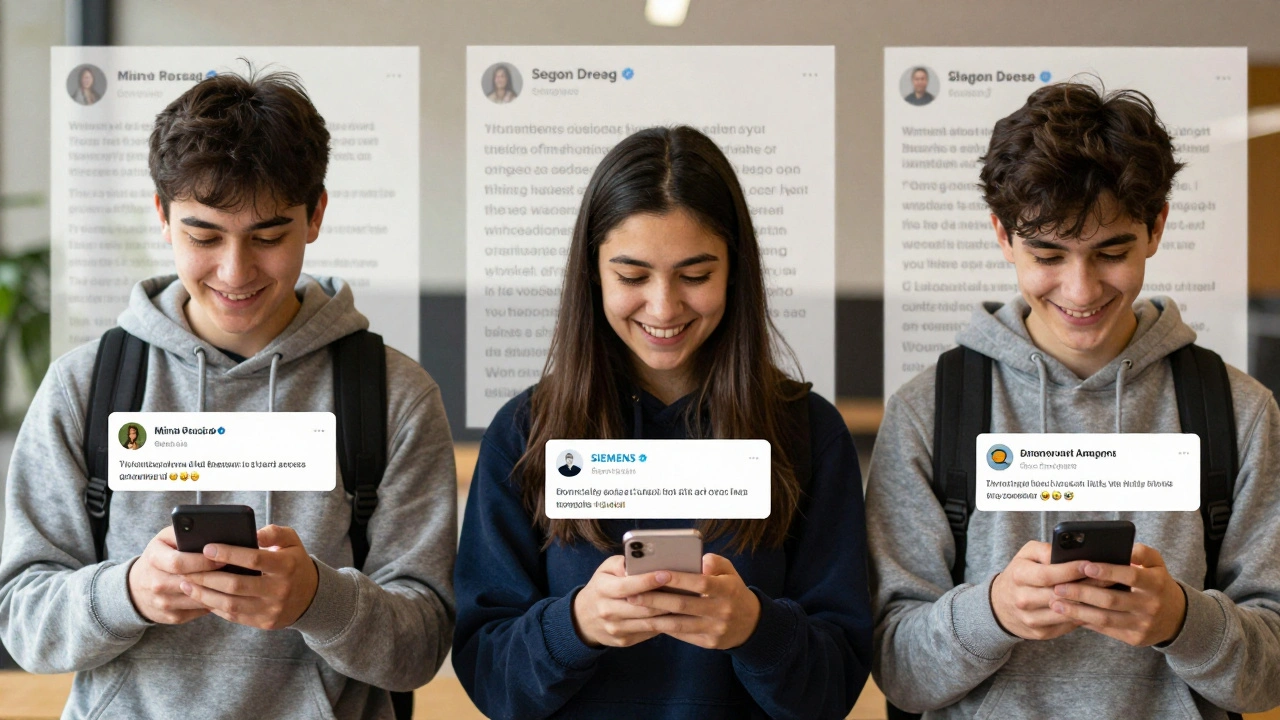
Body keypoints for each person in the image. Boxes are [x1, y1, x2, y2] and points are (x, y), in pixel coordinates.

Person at [0, 69, 457, 719]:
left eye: (268, 237)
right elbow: (22, 621)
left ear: (315, 215)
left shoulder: (394, 397)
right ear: (162, 216)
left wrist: (317, 600)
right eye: (204, 236)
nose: (235, 272)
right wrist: (127, 592)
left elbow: (423, 647)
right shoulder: (85, 387)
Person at [867, 82, 1280, 718]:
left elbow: (1269, 677)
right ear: (1003, 235)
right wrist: (995, 611)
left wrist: (1181, 620)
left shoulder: (1239, 413)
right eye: (1048, 254)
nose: (1080, 290)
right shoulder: (929, 412)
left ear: (1156, 226)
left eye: (1111, 252)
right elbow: (897, 669)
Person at [453, 125, 872, 719]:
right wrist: (576, 625)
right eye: (632, 277)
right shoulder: (527, 431)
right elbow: (489, 676)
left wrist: (756, 628)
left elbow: (835, 688)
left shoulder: (807, 432)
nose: (664, 307)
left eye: (695, 276)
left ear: (735, 271)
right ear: (593, 273)